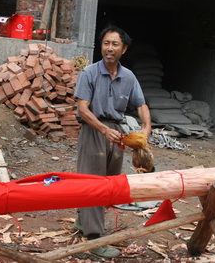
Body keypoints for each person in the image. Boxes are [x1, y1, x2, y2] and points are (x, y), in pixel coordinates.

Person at [73, 25, 152, 258]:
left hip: (117, 133)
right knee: (92, 184)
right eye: (106, 43)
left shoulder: (129, 77)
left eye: (115, 44)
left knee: (109, 185)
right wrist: (103, 129)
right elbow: (82, 109)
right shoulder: (89, 73)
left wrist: (146, 127)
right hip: (93, 129)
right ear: (101, 46)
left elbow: (141, 104)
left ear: (124, 49)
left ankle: (82, 222)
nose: (109, 48)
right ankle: (94, 239)